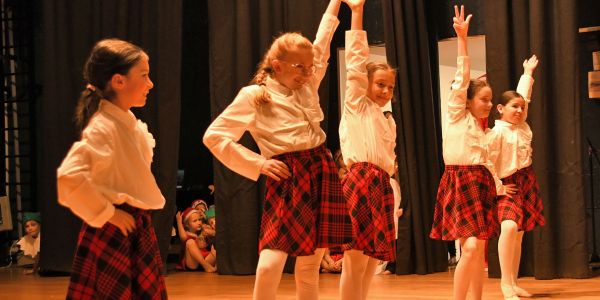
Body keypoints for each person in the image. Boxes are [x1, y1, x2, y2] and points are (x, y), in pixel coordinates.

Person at [203, 1, 351, 299]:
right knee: (271, 263)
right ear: (278, 65)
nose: (308, 72)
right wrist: (258, 164)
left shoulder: (307, 83)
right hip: (289, 177)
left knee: (309, 266)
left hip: (321, 169)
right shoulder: (256, 95)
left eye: (310, 67)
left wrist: (336, 4)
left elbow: (321, 44)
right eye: (300, 67)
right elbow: (215, 136)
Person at [56, 38, 167, 299]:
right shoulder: (103, 127)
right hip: (114, 229)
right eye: (144, 75)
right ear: (119, 81)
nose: (150, 84)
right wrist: (108, 213)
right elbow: (69, 177)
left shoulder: (126, 122)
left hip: (134, 227)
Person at [429, 6, 517, 300]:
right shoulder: (456, 114)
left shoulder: (483, 131)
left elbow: (487, 162)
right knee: (468, 248)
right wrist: (463, 40)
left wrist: (500, 186)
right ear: (467, 101)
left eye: (491, 100)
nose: (489, 105)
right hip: (459, 182)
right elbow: (462, 78)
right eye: (484, 99)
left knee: (478, 249)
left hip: (479, 184)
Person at [338, 0, 397, 298]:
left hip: (381, 186)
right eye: (381, 85)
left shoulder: (388, 121)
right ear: (367, 85)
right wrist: (357, 13)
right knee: (354, 258)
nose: (386, 92)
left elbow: (390, 163)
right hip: (360, 182)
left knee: (371, 260)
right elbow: (356, 62)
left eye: (390, 87)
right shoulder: (357, 105)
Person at [488, 55, 544, 299]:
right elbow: (488, 162)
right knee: (508, 228)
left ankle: (513, 281)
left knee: (519, 234)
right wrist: (498, 187)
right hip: (507, 185)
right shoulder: (496, 133)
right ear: (500, 109)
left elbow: (525, 96)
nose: (520, 110)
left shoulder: (522, 126)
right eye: (514, 107)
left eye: (522, 108)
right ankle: (504, 283)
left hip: (526, 181)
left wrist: (528, 72)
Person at [175, 208, 217, 272]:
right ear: (187, 225)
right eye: (195, 221)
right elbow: (183, 237)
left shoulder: (202, 232)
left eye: (199, 220)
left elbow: (214, 233)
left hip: (206, 261)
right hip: (193, 264)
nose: (199, 222)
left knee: (215, 246)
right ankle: (206, 266)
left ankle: (212, 266)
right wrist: (179, 222)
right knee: (190, 242)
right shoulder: (186, 234)